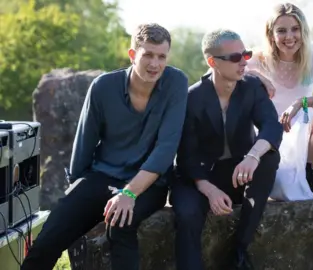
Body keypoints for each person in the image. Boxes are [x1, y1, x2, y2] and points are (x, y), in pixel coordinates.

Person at [21, 23, 189, 270]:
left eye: (161, 56)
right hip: (103, 175)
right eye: (148, 55)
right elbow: (84, 143)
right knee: (51, 233)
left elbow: (166, 149)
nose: (155, 64)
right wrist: (77, 192)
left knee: (121, 223)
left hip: (148, 183)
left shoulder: (176, 83)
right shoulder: (103, 87)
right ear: (133, 55)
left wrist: (129, 193)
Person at [171, 29, 283, 270]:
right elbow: (186, 155)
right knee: (188, 214)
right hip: (198, 178)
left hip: (239, 172)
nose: (243, 61)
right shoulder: (192, 98)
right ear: (212, 62)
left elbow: (272, 126)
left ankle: (240, 252)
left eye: (245, 54)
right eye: (235, 57)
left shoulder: (251, 87)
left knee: (270, 156)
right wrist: (208, 190)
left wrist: (253, 156)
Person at [246, 2, 313, 199]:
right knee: (282, 187)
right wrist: (258, 77)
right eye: (281, 30)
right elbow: (223, 76)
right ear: (271, 34)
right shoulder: (258, 59)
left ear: (303, 31)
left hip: (305, 131)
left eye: (295, 29)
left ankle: (309, 171)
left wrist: (302, 102)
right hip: (269, 134)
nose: (289, 37)